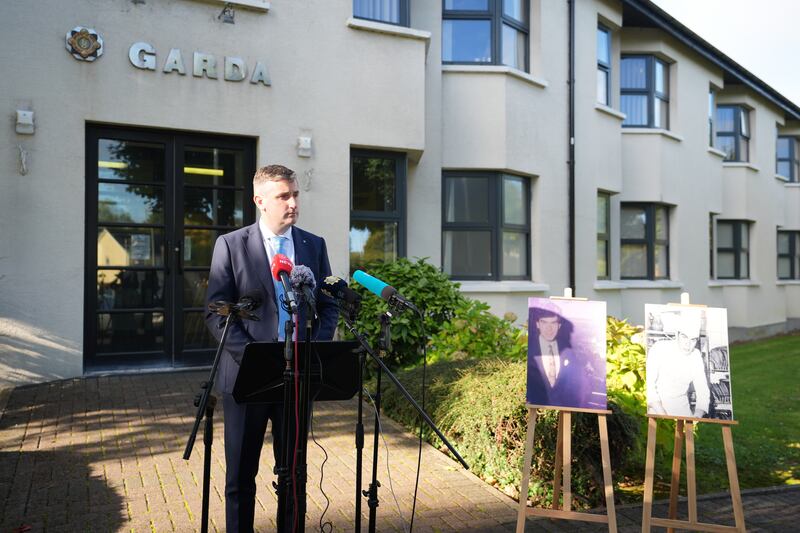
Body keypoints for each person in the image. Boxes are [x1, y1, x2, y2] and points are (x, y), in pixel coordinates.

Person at [204, 164, 338, 532]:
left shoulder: (313, 244)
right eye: (283, 196)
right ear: (260, 200)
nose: (293, 202)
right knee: (240, 479)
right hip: (247, 378)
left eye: (295, 194)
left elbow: (328, 305)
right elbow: (216, 314)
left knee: (294, 474)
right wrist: (253, 357)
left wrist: (315, 347)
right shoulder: (231, 245)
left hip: (297, 376)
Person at [526, 300, 591, 408]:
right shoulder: (530, 351)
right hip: (538, 414)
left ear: (559, 325)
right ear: (537, 324)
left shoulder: (569, 352)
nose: (549, 328)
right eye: (544, 322)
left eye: (553, 323)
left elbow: (577, 387)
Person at [646, 311, 710, 418]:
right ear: (677, 334)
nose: (688, 344)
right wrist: (665, 418)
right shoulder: (659, 348)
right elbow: (650, 388)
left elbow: (703, 391)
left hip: (683, 412)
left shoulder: (696, 356)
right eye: (684, 337)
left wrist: (696, 418)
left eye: (693, 340)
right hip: (658, 412)